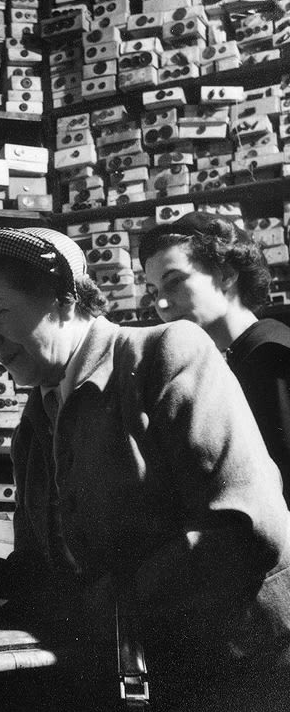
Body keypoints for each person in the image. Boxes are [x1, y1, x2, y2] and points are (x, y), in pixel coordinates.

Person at [0, 227, 290, 712]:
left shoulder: (165, 352)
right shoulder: (36, 422)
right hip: (135, 679)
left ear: (63, 299)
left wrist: (101, 604)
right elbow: (45, 575)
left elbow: (246, 528)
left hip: (237, 676)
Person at [139, 211, 290, 499]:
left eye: (174, 281)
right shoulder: (232, 358)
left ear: (226, 274)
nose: (160, 303)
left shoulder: (270, 355)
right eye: (153, 290)